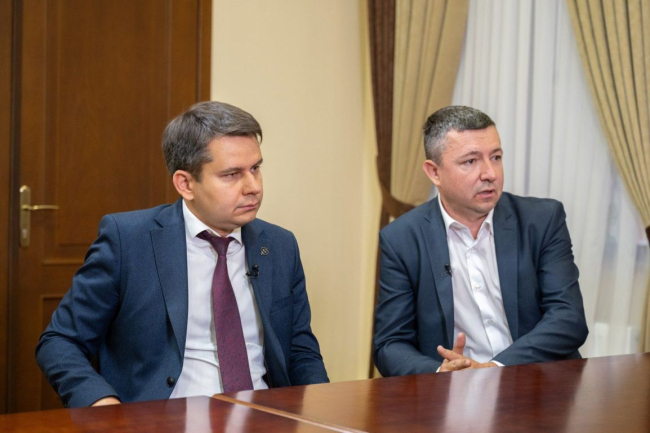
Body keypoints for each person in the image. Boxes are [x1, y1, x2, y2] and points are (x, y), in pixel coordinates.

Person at [36, 101, 329, 408]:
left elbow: (300, 350)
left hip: (265, 415)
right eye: (232, 174)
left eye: (255, 168)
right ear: (185, 184)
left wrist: (322, 413)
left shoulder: (280, 245)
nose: (253, 186)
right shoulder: (129, 240)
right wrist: (103, 406)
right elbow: (60, 342)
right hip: (163, 418)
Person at [373, 105, 588, 376]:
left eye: (496, 157)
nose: (490, 174)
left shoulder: (541, 221)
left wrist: (492, 369)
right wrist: (441, 373)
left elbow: (568, 318)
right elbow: (390, 344)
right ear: (434, 172)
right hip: (452, 392)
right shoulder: (402, 239)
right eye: (470, 161)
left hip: (538, 383)